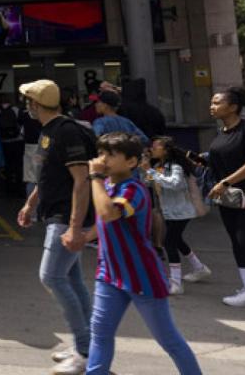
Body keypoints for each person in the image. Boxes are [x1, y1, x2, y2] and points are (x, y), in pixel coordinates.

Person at [85, 133, 202, 375]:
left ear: (131, 162)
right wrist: (83, 237)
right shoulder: (108, 186)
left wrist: (95, 177)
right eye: (100, 153)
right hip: (110, 274)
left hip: (142, 277)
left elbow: (108, 214)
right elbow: (104, 223)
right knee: (100, 333)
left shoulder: (133, 190)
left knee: (168, 339)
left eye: (110, 155)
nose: (102, 159)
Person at [16, 80, 95, 375]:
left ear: (35, 104)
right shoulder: (50, 131)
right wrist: (31, 203)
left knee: (51, 277)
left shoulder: (67, 131)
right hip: (55, 214)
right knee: (72, 281)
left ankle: (85, 351)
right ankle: (85, 347)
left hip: (65, 217)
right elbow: (48, 174)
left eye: (29, 102)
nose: (27, 107)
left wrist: (74, 227)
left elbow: (81, 180)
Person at [205, 86, 245, 308]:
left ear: (233, 107)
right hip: (229, 198)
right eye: (212, 102)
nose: (212, 106)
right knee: (237, 243)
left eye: (217, 102)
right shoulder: (222, 133)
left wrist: (226, 182)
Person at [144, 137, 211, 295]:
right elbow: (148, 183)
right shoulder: (159, 166)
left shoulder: (175, 166)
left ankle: (176, 282)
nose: (151, 149)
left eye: (155, 147)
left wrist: (150, 171)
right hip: (170, 212)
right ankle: (199, 268)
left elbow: (175, 184)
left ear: (166, 150)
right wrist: (147, 170)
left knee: (169, 242)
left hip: (181, 212)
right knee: (177, 240)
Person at [0, 93, 25, 196]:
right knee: (19, 165)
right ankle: (19, 188)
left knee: (8, 165)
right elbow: (22, 124)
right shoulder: (16, 109)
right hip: (17, 141)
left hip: (4, 142)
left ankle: (9, 188)